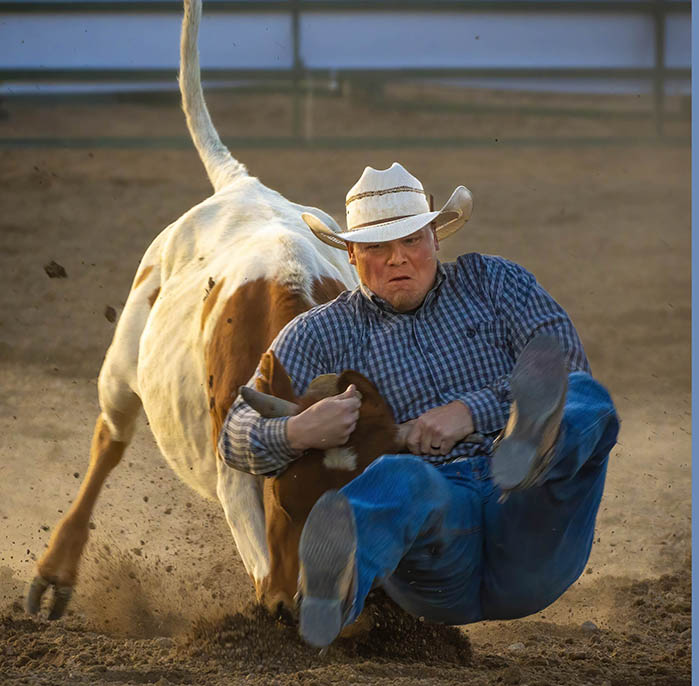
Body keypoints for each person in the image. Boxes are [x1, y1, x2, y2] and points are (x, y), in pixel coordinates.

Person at [220, 163, 619, 648]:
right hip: (436, 537)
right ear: (350, 254)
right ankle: (331, 600)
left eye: (411, 240)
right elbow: (234, 435)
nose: (397, 259)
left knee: (584, 398)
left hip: (533, 514)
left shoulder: (496, 283)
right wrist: (299, 432)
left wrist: (470, 412)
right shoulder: (320, 333)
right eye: (376, 247)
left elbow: (567, 364)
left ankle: (529, 441)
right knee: (400, 480)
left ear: (435, 236)